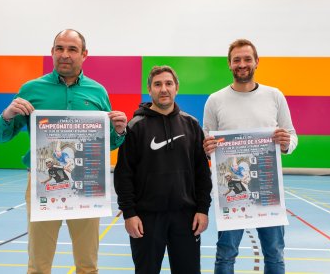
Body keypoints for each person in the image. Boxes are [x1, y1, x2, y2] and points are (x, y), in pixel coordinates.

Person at [0, 29, 128, 274]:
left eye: (72, 49)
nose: (65, 54)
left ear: (84, 54)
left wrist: (119, 132)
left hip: (87, 183)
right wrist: (8, 114)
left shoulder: (98, 92)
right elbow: (2, 136)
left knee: (88, 265)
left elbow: (106, 143)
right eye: (60, 48)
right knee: (38, 265)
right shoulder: (31, 89)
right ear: (52, 52)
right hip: (43, 183)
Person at [203, 39, 298, 274]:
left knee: (274, 255)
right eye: (237, 60)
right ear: (229, 64)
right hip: (232, 194)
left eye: (247, 59)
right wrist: (206, 147)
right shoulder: (215, 100)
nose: (242, 64)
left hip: (268, 192)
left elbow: (292, 135)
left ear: (256, 62)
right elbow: (204, 141)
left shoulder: (274, 96)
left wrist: (287, 143)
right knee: (225, 255)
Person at [114, 66, 212, 274]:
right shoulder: (135, 126)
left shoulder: (191, 125)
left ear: (176, 88)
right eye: (157, 84)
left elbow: (202, 173)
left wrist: (203, 209)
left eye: (169, 84)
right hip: (146, 219)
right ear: (149, 90)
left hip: (186, 218)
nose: (164, 89)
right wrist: (129, 213)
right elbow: (124, 174)